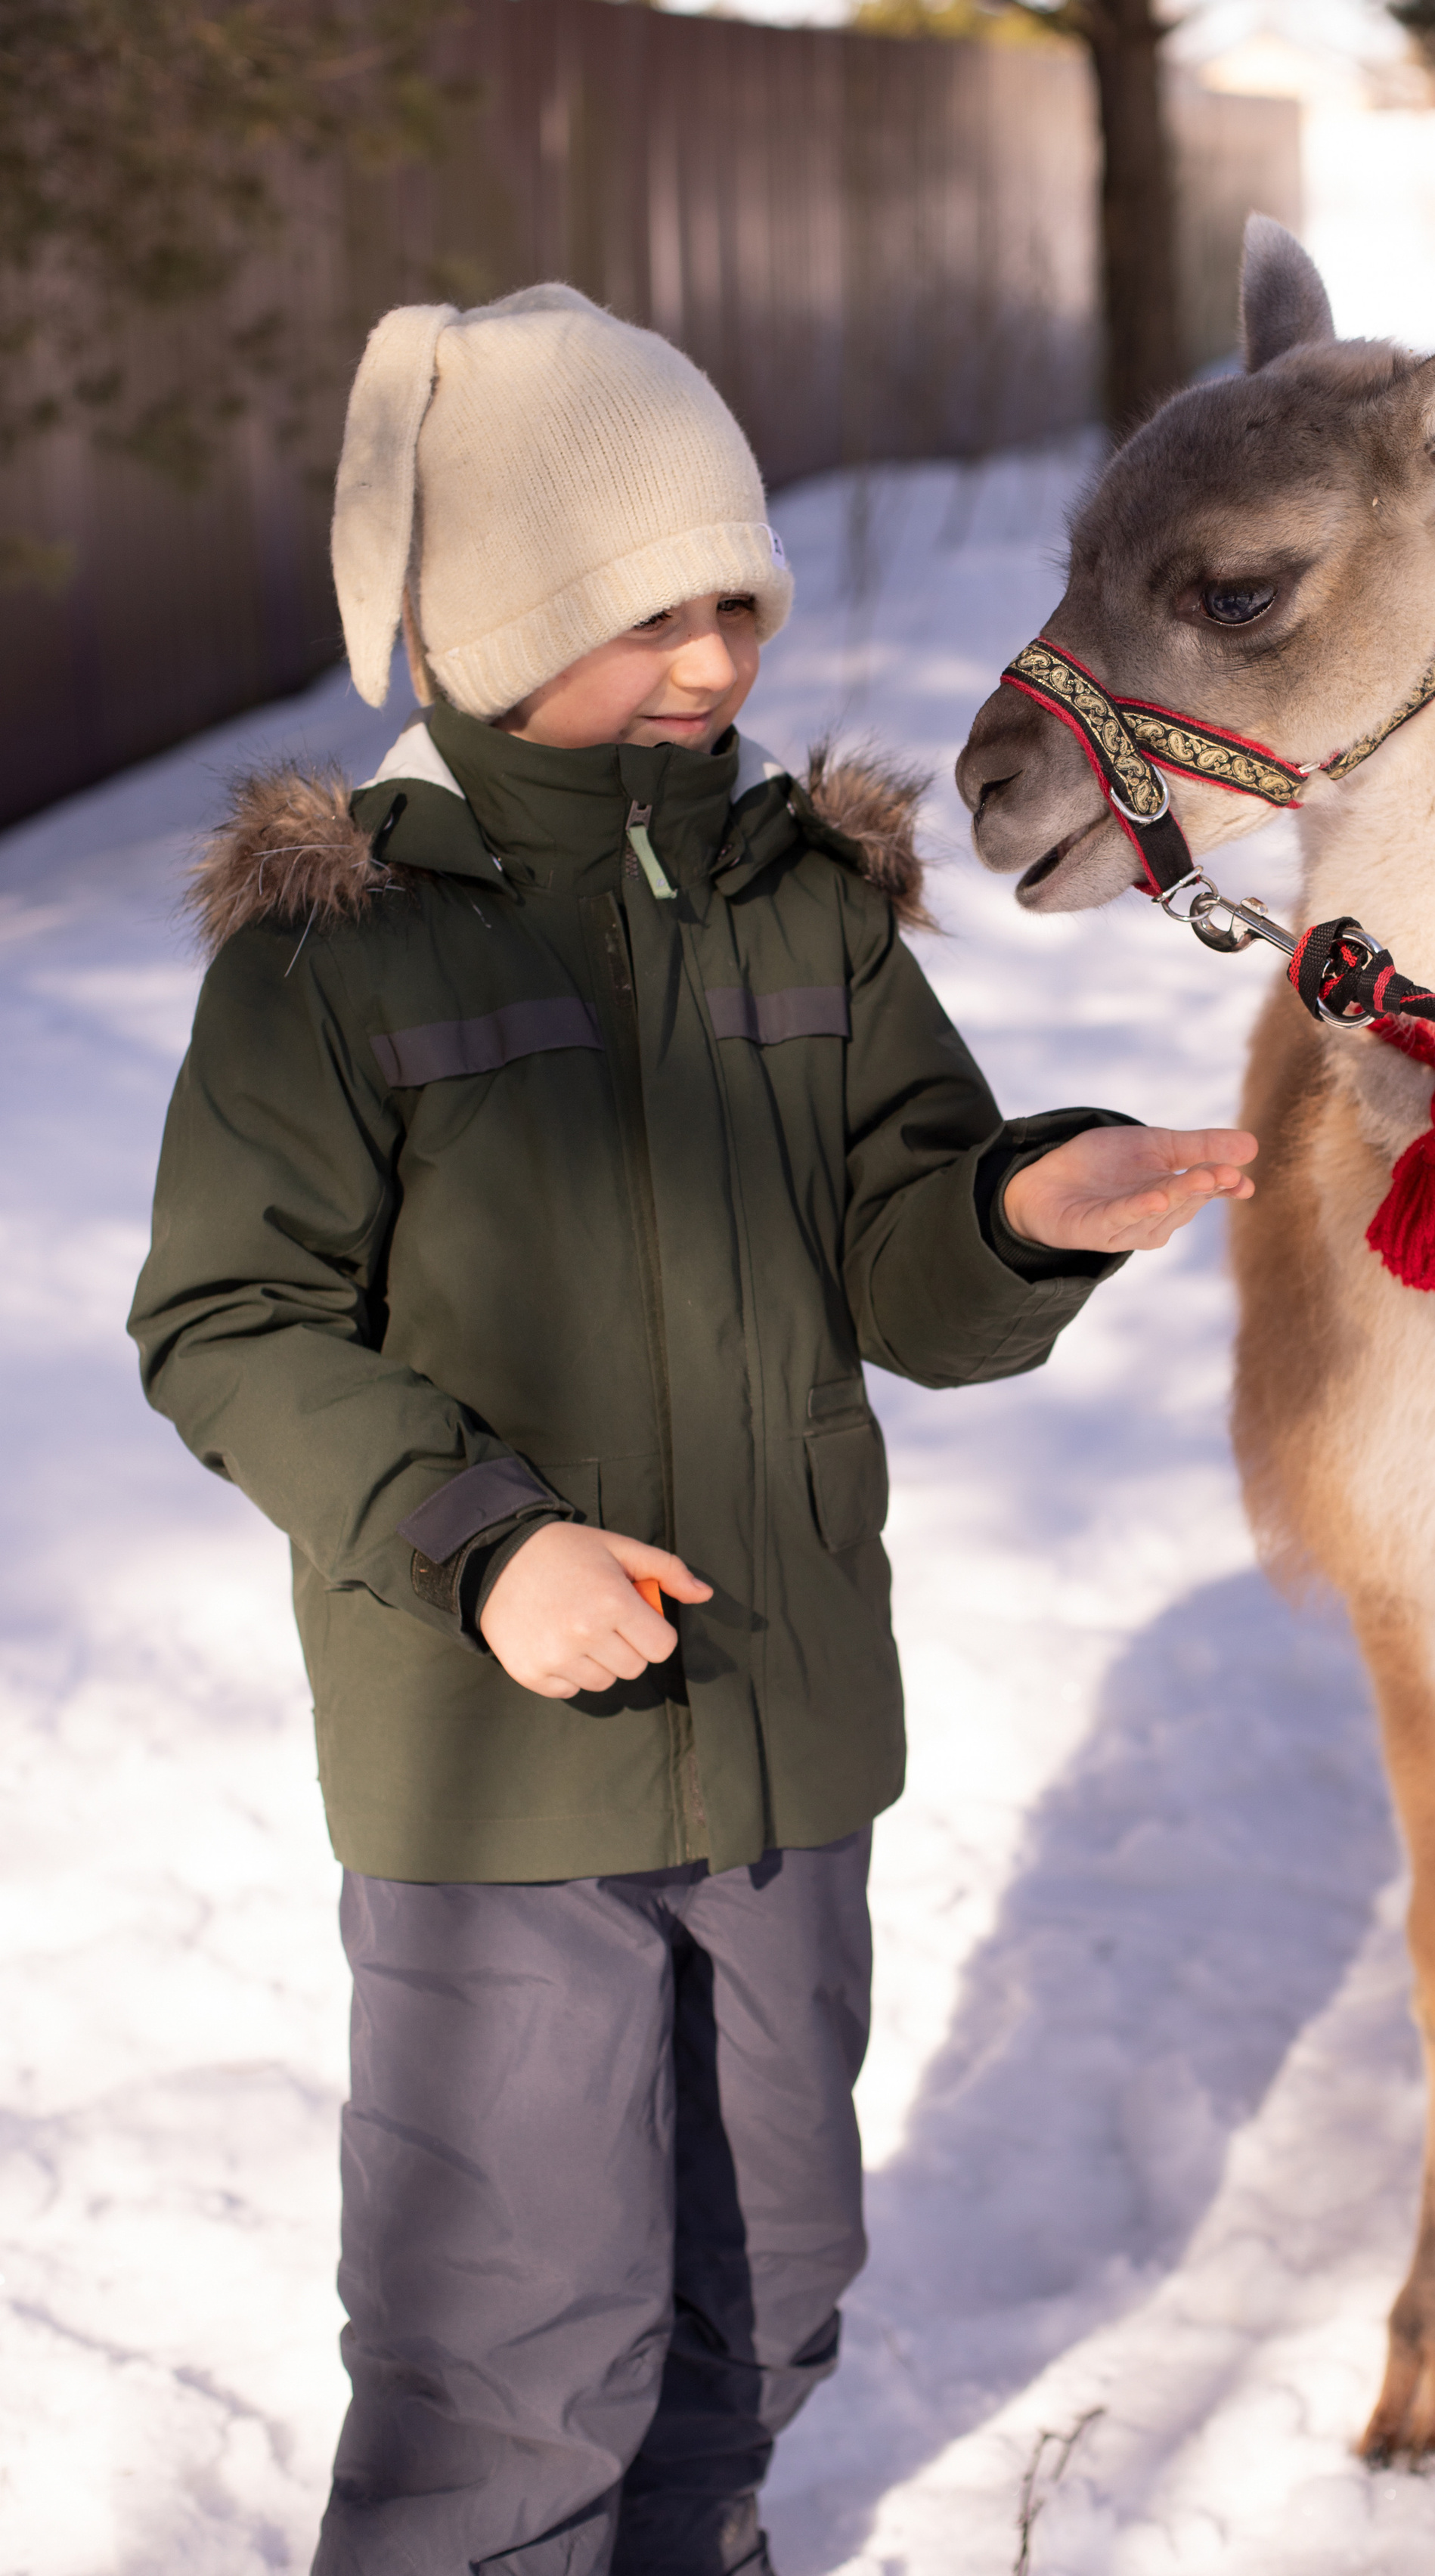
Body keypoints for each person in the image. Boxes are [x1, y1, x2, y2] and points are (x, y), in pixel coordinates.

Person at [129, 285, 1255, 2576]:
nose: (714, 662)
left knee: (765, 2294)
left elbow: (903, 1250)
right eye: (648, 612)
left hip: (782, 1740)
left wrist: (1026, 1206)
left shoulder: (805, 906)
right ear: (494, 607)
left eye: (735, 601)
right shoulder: (345, 951)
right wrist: (480, 1538)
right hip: (494, 1763)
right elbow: (228, 1319)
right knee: (514, 2339)